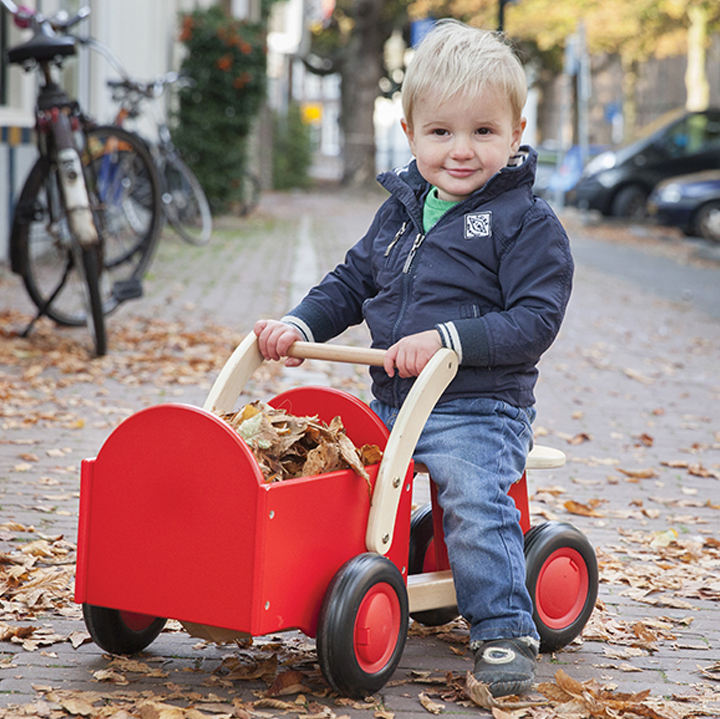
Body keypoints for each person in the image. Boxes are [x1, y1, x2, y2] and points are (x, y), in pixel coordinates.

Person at [254, 19, 573, 698]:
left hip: (478, 405)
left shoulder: (525, 221)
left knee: (472, 491)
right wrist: (296, 321)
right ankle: (341, 585)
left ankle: (504, 629)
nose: (461, 151)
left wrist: (449, 338)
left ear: (516, 131)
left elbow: (536, 319)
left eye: (483, 132)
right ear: (411, 133)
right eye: (441, 133)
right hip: (395, 401)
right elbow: (350, 282)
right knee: (338, 474)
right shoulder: (400, 214)